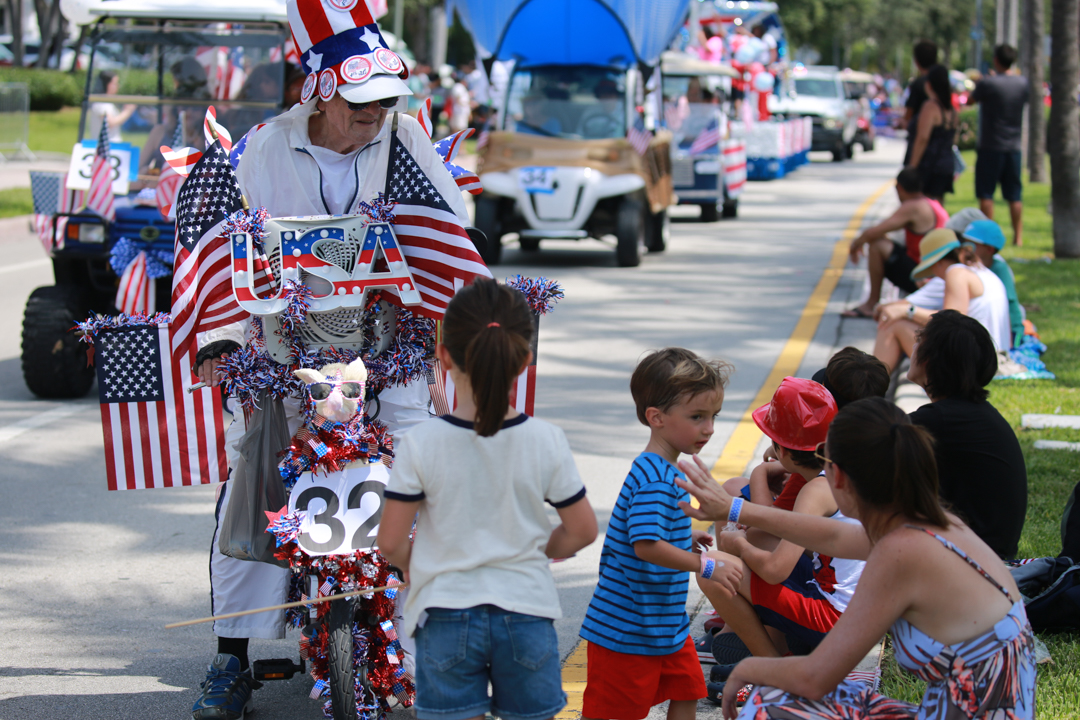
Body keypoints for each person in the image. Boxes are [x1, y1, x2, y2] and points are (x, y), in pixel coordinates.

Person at [188, 1, 476, 717]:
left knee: (420, 472)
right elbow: (217, 243)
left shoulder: (404, 140)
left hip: (389, 347)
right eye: (359, 103)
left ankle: (420, 645)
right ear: (319, 91)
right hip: (284, 350)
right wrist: (219, 336)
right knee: (255, 483)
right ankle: (232, 657)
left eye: (383, 102)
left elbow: (452, 225)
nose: (373, 115)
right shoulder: (262, 149)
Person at [675, 397, 1036, 720]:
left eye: (825, 463)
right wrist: (732, 508)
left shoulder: (899, 553)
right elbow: (831, 535)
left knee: (770, 701)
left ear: (840, 476)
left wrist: (751, 670)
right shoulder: (931, 524)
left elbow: (816, 678)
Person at [376, 278, 598, 720]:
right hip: (526, 612)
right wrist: (538, 550)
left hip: (445, 615)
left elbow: (390, 542)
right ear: (525, 359)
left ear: (443, 356)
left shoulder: (422, 442)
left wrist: (420, 565)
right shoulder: (545, 439)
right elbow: (582, 530)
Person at [579, 348, 740, 720]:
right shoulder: (656, 479)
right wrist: (705, 565)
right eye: (697, 416)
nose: (709, 428)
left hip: (662, 622)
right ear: (657, 418)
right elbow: (646, 546)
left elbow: (649, 529)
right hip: (627, 628)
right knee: (613, 711)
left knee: (688, 690)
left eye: (713, 416)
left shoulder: (662, 469)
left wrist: (685, 533)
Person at [698, 379, 864, 704]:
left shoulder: (815, 491)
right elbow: (770, 535)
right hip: (858, 615)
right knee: (752, 545)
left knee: (712, 568)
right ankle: (781, 655)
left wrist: (738, 544)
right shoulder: (839, 470)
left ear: (784, 451)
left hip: (833, 621)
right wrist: (761, 478)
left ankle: (774, 674)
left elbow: (775, 569)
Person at [907, 310, 1028, 559]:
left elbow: (863, 445)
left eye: (919, 339)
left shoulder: (941, 420)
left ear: (930, 359)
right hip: (987, 557)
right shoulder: (969, 413)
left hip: (973, 564)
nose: (913, 346)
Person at [873, 229, 1010, 370]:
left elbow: (951, 322)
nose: (933, 275)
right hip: (992, 358)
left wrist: (908, 311)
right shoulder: (982, 272)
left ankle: (872, 381)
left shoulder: (955, 272)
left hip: (975, 363)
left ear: (938, 263)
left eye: (931, 269)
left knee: (894, 325)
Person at [842, 168, 948, 319]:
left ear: (899, 188)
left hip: (925, 277)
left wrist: (855, 246)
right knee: (883, 241)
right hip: (938, 273)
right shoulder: (932, 203)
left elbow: (873, 233)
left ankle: (870, 304)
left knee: (877, 245)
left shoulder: (913, 207)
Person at [969, 44, 1029, 246]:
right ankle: (1018, 237)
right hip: (1013, 146)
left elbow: (970, 101)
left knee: (986, 194)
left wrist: (983, 82)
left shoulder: (988, 83)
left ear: (995, 60)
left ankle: (989, 237)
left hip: (990, 146)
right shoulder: (1022, 83)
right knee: (1015, 195)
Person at [960, 219, 1025, 347]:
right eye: (965, 243)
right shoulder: (968, 267)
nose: (966, 249)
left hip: (1008, 328)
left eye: (972, 245)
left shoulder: (999, 268)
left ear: (989, 249)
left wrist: (1012, 335)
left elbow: (1009, 302)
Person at [907, 64, 957, 202]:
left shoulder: (930, 107)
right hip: (946, 164)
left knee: (923, 206)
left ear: (928, 84)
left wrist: (912, 166)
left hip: (929, 165)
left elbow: (922, 138)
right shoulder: (951, 110)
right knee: (938, 205)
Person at [903, 40, 938, 166]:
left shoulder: (918, 84)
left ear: (916, 61)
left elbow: (908, 115)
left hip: (920, 142)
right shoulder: (943, 83)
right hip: (940, 149)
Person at [87, 70, 138, 143]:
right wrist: (128, 111)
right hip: (107, 145)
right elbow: (110, 123)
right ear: (107, 84)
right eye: (115, 83)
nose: (117, 86)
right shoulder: (101, 103)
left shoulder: (103, 101)